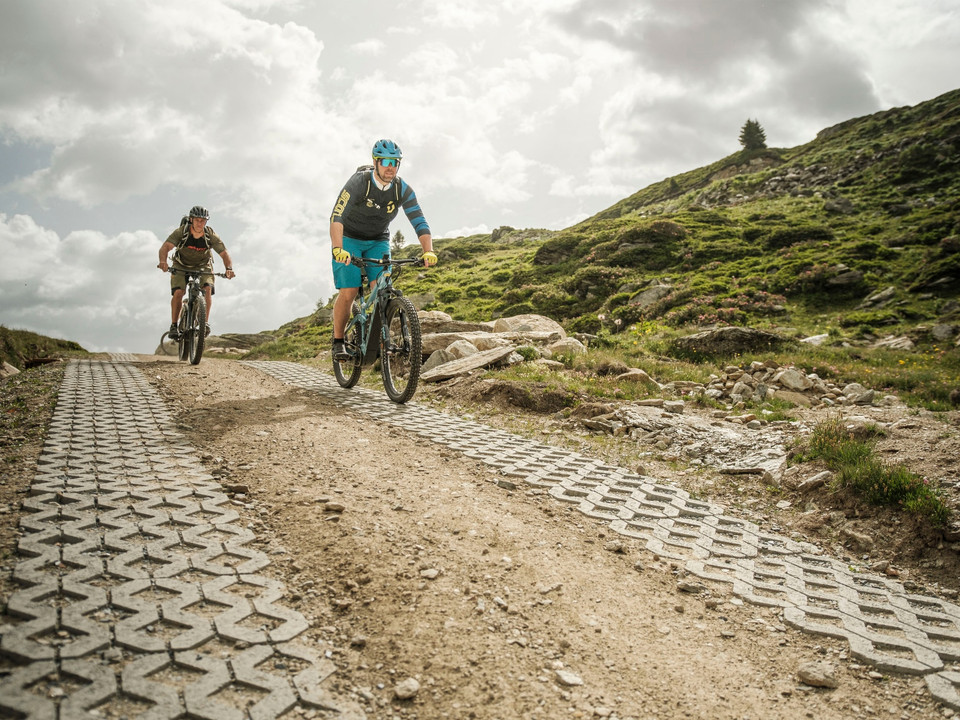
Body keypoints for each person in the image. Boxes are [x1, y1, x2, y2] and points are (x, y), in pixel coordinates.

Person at [329, 139, 437, 359]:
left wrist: (429, 250)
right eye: (386, 161)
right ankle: (338, 341)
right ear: (376, 162)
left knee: (383, 289)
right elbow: (336, 217)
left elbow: (419, 220)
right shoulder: (359, 183)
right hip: (349, 239)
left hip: (378, 240)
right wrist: (338, 248)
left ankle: (377, 337)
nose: (391, 167)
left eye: (395, 162)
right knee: (349, 292)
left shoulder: (401, 188)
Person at [157, 205, 235, 338]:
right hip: (181, 265)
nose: (200, 223)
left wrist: (229, 269)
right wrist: (163, 262)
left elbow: (224, 253)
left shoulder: (210, 235)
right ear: (191, 220)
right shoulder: (181, 232)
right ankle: (174, 325)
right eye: (197, 220)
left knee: (207, 289)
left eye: (203, 220)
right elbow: (165, 247)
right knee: (179, 292)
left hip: (203, 265)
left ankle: (205, 324)